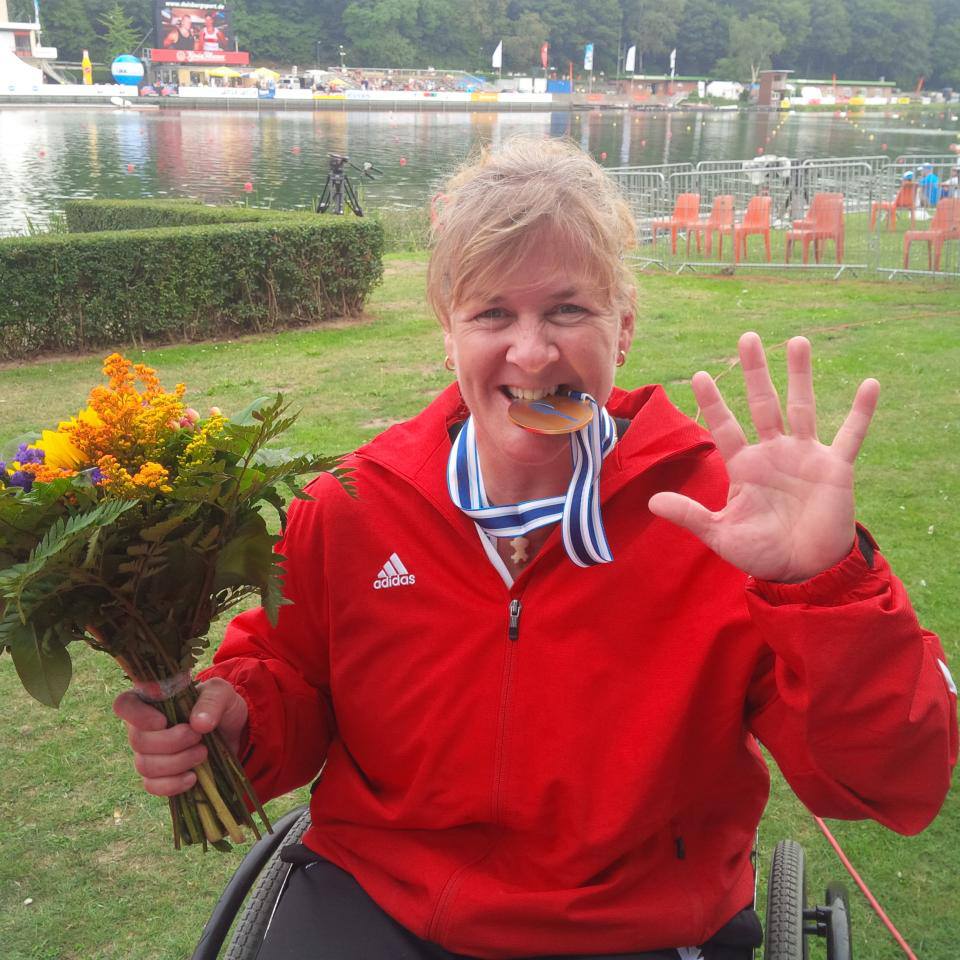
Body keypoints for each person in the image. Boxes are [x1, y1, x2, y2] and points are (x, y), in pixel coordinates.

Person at [114, 138, 957, 960]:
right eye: (491, 313)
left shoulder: (722, 518)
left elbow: (893, 785)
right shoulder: (352, 505)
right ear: (448, 332)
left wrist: (824, 588)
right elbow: (292, 677)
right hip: (380, 899)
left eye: (567, 309)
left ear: (622, 328)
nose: (531, 351)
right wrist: (235, 719)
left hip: (631, 923)